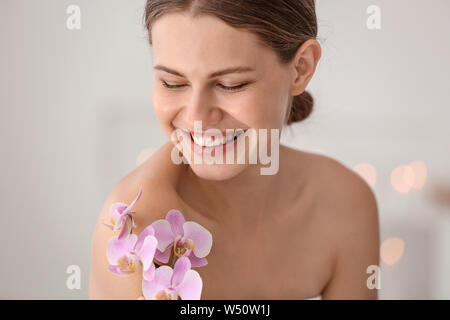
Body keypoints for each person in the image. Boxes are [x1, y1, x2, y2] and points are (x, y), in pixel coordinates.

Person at [89, 0, 380, 300]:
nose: (197, 118)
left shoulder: (345, 205)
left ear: (300, 68)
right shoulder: (134, 230)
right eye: (172, 83)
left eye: (231, 84)